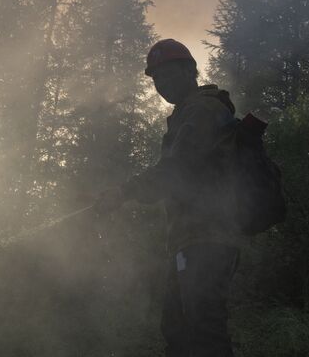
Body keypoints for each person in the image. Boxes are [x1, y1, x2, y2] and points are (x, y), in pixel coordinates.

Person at [95, 39, 240, 357]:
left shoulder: (203, 110)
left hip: (207, 238)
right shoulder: (189, 113)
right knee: (178, 329)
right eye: (156, 78)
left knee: (203, 331)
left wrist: (123, 192)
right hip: (192, 241)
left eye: (169, 73)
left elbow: (175, 170)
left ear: (191, 70)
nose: (162, 83)